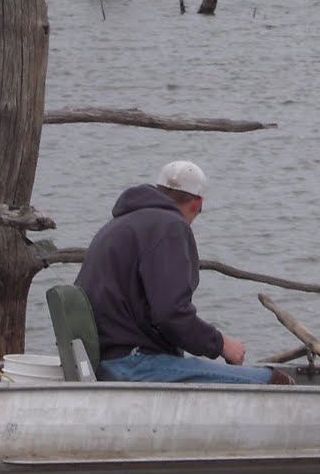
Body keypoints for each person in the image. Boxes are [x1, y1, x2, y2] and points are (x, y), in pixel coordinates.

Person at [75, 159, 291, 385]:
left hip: (104, 359)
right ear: (197, 204)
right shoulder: (169, 226)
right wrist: (221, 345)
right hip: (131, 363)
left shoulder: (120, 222)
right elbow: (171, 315)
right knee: (273, 380)